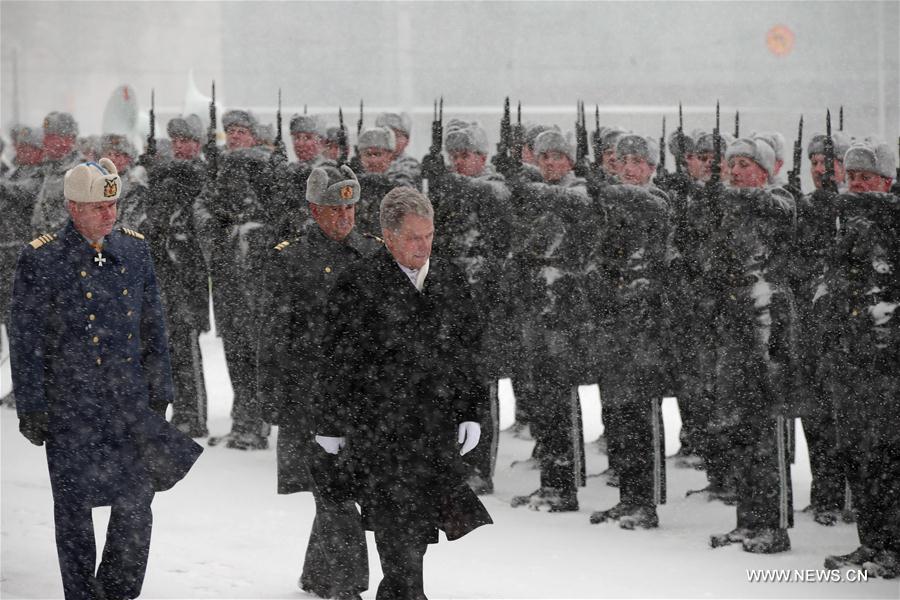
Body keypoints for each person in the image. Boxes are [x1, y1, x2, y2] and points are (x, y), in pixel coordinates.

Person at [9, 157, 202, 599]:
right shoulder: (42, 259)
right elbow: (26, 339)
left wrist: (161, 392)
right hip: (69, 407)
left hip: (128, 404)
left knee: (136, 504)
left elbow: (154, 326)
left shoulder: (134, 250)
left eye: (114, 205)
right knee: (74, 511)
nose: (110, 215)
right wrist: (33, 406)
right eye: (100, 207)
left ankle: (119, 590)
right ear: (74, 207)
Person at [315, 186, 492, 600]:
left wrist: (471, 411)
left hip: (434, 426)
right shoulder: (358, 283)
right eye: (413, 237)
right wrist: (331, 423)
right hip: (380, 427)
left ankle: (400, 591)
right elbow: (336, 361)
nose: (423, 245)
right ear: (389, 236)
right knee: (395, 519)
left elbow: (469, 350)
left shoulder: (449, 277)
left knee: (420, 519)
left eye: (429, 235)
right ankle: (406, 592)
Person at [258, 165, 378, 599]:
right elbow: (273, 333)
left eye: (350, 206)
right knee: (334, 491)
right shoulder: (289, 258)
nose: (345, 216)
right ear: (313, 210)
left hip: (361, 396)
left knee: (342, 488)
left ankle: (318, 576)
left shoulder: (374, 253)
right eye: (334, 208)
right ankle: (347, 585)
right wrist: (271, 395)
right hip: (309, 395)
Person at [708, 138, 797, 554]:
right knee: (739, 427)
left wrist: (736, 199)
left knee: (767, 427)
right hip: (735, 326)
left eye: (745, 165)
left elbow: (778, 211)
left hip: (768, 325)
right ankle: (747, 519)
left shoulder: (779, 202)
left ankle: (774, 525)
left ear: (764, 170)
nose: (736, 172)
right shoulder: (727, 209)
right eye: (732, 165)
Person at [817, 147, 899, 576]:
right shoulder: (841, 223)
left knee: (889, 455)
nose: (858, 183)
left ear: (887, 181)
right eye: (852, 175)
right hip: (848, 360)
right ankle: (872, 541)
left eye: (868, 176)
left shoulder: (892, 223)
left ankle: (895, 546)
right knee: (857, 453)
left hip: (886, 360)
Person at [426, 120, 513, 494]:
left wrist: (445, 182)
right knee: (445, 389)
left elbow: (490, 200)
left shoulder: (496, 188)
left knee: (479, 389)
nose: (459, 162)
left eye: (466, 154)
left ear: (483, 156)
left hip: (485, 307)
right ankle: (451, 461)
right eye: (454, 155)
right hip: (448, 303)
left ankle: (479, 468)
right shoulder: (445, 193)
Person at [508, 129, 591, 512]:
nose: (550, 164)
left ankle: (564, 484)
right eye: (544, 158)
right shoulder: (532, 196)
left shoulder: (582, 193)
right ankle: (552, 480)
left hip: (563, 305)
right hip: (536, 301)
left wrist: (527, 189)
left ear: (571, 161)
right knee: (542, 393)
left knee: (559, 394)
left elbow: (575, 208)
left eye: (558, 157)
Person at [142, 114, 211, 438]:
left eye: (187, 141)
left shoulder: (201, 173)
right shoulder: (161, 176)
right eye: (177, 141)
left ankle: (192, 414)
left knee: (185, 344)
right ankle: (172, 409)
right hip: (163, 271)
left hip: (187, 272)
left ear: (198, 144)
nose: (181, 147)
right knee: (164, 344)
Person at [0, 125, 45, 407]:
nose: (20, 151)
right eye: (18, 146)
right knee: (9, 326)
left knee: (25, 328)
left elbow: (21, 195)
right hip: (4, 259)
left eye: (26, 146)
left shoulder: (39, 176)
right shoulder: (13, 173)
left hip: (22, 259)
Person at [32, 111, 83, 235]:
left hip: (69, 249)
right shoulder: (48, 168)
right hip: (46, 248)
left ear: (68, 139)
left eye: (50, 136)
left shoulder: (82, 171)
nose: (44, 141)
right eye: (45, 136)